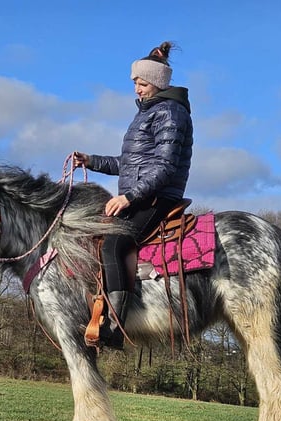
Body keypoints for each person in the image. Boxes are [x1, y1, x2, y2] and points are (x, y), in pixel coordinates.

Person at [73, 41, 193, 349]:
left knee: (115, 243)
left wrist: (128, 198)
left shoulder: (171, 113)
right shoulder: (148, 113)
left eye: (141, 82)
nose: (136, 88)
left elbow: (165, 167)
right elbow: (129, 164)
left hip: (157, 197)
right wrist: (91, 161)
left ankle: (115, 326)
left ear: (156, 82)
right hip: (142, 194)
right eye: (135, 83)